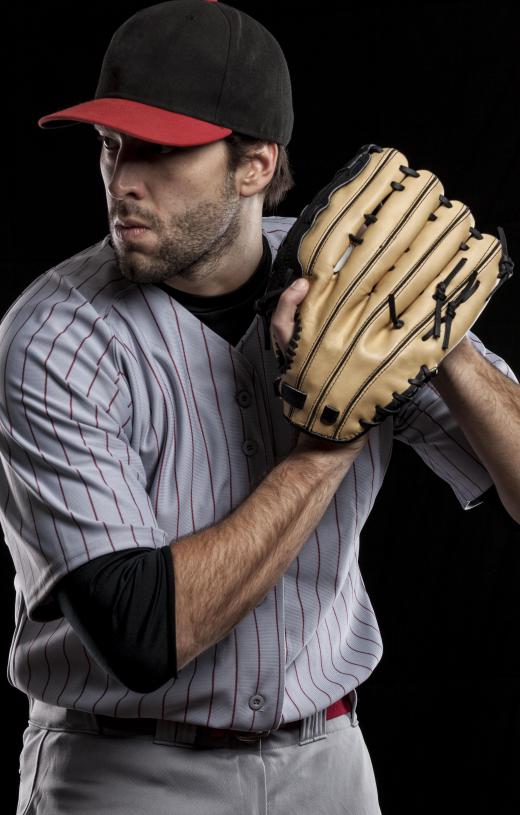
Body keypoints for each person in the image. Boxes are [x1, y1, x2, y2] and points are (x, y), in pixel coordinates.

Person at [3, 1, 520, 813]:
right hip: (127, 770)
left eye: (161, 150)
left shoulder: (355, 284)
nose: (123, 180)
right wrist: (326, 444)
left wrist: (435, 334)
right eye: (111, 147)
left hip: (329, 760)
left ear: (254, 164)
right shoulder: (54, 335)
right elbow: (143, 634)